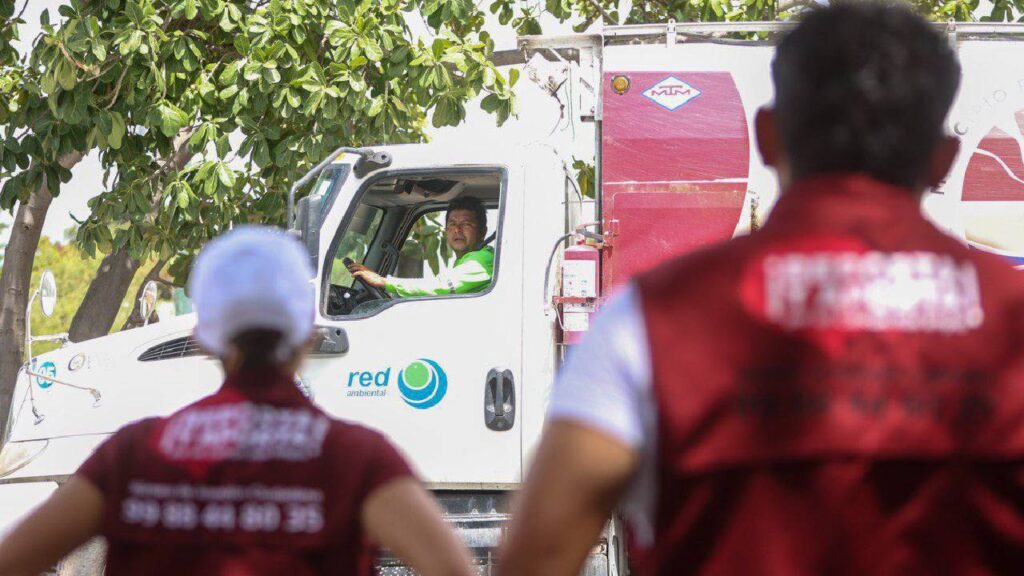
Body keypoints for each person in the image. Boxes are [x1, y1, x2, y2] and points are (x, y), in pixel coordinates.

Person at [501, 4, 1024, 575]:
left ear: (767, 137)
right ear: (944, 160)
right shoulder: (1012, 319)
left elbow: (538, 557)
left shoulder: (650, 321)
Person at [0, 227, 474, 576]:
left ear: (204, 337)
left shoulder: (134, 454)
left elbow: (15, 559)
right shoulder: (358, 459)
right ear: (307, 334)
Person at [347, 196, 494, 297]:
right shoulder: (466, 261)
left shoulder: (483, 260)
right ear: (445, 230)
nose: (457, 230)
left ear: (482, 232)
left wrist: (386, 282)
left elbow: (442, 287)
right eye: (452, 224)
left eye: (466, 224)